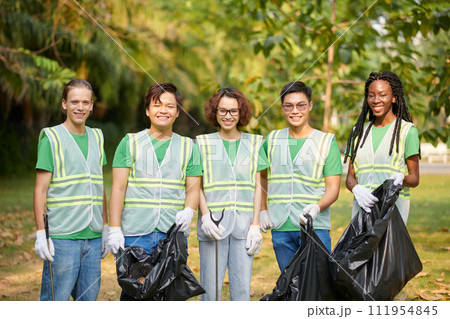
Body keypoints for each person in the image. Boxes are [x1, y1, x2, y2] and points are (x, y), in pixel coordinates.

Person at [33, 79, 109, 301]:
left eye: (86, 102)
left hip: (93, 237)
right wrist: (40, 233)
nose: (80, 107)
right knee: (56, 301)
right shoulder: (51, 138)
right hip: (63, 237)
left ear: (92, 106)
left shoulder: (97, 136)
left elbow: (99, 184)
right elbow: (40, 191)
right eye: (75, 101)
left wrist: (104, 226)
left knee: (88, 300)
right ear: (64, 104)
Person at [108, 83, 201, 259]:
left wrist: (189, 210)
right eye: (157, 105)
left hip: (172, 234)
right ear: (147, 110)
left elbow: (194, 189)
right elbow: (118, 189)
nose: (163, 110)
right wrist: (114, 229)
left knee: (170, 286)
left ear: (178, 112)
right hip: (135, 234)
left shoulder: (189, 147)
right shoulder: (129, 143)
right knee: (136, 286)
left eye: (170, 106)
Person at [260, 81, 342, 272]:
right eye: (289, 106)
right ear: (282, 108)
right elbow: (261, 177)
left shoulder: (325, 142)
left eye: (301, 105)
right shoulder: (271, 140)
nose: (295, 111)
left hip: (315, 226)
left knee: (318, 286)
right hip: (281, 225)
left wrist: (317, 207)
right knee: (289, 285)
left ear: (310, 106)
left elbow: (333, 189)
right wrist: (263, 209)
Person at [196, 87, 268, 301]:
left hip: (245, 227)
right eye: (223, 110)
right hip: (213, 227)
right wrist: (205, 215)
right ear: (215, 112)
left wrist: (256, 223)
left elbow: (259, 185)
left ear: (241, 112)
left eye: (233, 111)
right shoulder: (202, 143)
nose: (228, 116)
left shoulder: (255, 144)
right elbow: (195, 185)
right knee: (210, 291)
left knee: (242, 291)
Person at [344, 71, 420, 224]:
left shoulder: (407, 131)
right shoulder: (358, 132)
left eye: (382, 95)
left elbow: (414, 178)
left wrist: (401, 178)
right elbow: (350, 177)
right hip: (362, 214)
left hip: (392, 214)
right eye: (371, 95)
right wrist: (357, 189)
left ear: (393, 97)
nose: (376, 100)